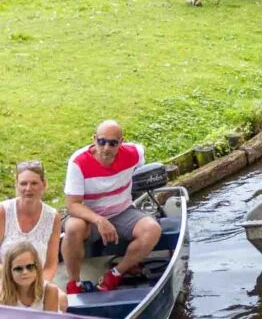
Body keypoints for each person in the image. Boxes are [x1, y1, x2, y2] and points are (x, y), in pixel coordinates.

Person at [62, 120, 163, 294]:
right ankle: (74, 283)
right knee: (73, 227)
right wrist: (99, 220)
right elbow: (72, 205)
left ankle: (116, 273)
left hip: (122, 211)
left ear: (121, 142)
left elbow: (142, 152)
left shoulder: (134, 154)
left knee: (152, 229)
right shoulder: (78, 162)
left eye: (113, 143)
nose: (106, 148)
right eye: (101, 141)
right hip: (89, 216)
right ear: (94, 139)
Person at [0, 161, 60, 282]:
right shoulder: (3, 211)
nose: (28, 189)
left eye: (34, 183)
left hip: (37, 283)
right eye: (23, 183)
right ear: (16, 185)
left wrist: (39, 287)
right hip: (5, 281)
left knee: (61, 298)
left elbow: (50, 265)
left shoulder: (53, 217)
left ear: (44, 184)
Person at [0, 242, 65, 312]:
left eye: (30, 266)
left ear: (37, 267)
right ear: (9, 272)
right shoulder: (2, 294)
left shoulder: (49, 291)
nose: (25, 272)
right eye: (18, 268)